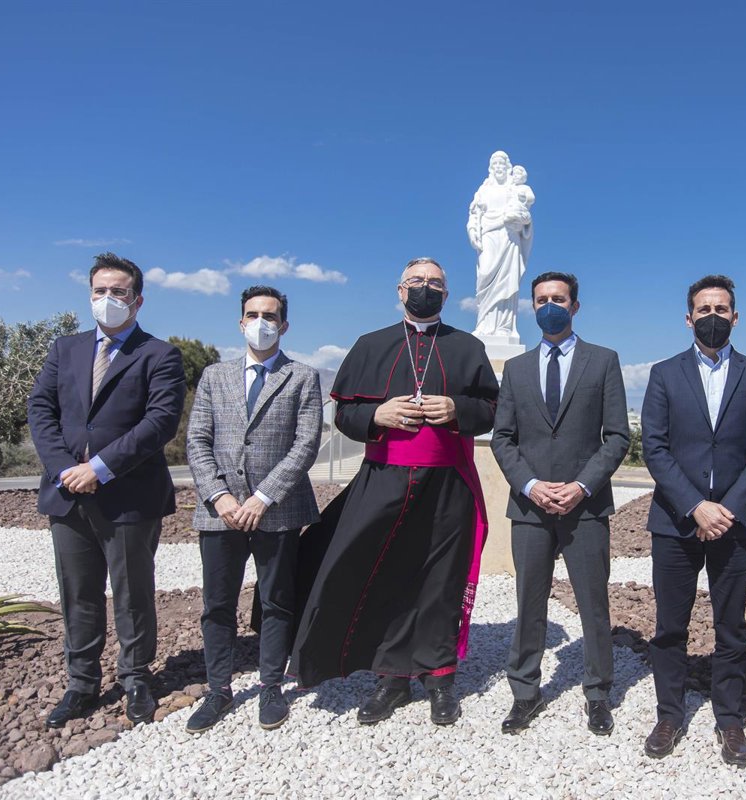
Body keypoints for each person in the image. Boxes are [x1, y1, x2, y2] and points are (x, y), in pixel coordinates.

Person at [289, 257, 499, 727]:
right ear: (400, 290)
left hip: (448, 484)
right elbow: (344, 414)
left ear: (447, 295)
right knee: (384, 574)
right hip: (384, 479)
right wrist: (376, 415)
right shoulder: (371, 344)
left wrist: (457, 408)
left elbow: (491, 408)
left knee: (441, 580)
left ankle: (440, 678)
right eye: (417, 281)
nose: (426, 288)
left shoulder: (468, 347)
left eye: (435, 283)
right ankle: (392, 680)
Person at [26, 252, 185, 729]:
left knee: (133, 593)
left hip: (130, 496)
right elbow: (41, 409)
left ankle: (136, 677)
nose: (108, 298)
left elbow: (159, 422)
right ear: (89, 295)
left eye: (118, 291)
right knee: (78, 594)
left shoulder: (159, 355)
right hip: (68, 495)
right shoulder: (65, 348)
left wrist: (99, 468)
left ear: (137, 300)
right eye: (100, 291)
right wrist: (65, 470)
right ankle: (81, 683)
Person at [640, 275, 746, 767]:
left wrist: (729, 508)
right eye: (704, 310)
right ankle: (669, 715)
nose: (713, 317)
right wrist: (695, 506)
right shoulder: (664, 374)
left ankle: (729, 719)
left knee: (731, 626)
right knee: (669, 626)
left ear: (735, 317)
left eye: (721, 310)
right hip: (676, 522)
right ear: (688, 318)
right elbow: (654, 447)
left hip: (735, 524)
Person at [491, 271, 629, 735]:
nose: (550, 305)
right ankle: (524, 692)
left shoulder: (603, 361)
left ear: (575, 306)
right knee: (529, 602)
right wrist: (530, 485)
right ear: (532, 306)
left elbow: (617, 436)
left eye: (559, 298)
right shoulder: (516, 369)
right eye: (541, 299)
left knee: (593, 603)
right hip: (530, 508)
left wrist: (581, 486)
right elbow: (503, 438)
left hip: (584, 507)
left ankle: (598, 693)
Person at [183, 285, 322, 733]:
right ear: (240, 322)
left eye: (270, 316)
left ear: (284, 325)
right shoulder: (214, 376)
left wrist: (262, 497)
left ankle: (270, 686)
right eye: (253, 315)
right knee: (217, 604)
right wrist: (219, 496)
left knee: (276, 600)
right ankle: (218, 689)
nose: (261, 323)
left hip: (277, 511)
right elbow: (197, 440)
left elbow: (305, 444)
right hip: (219, 512)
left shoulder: (302, 377)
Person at [468, 150, 531, 339]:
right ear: (490, 168)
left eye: (501, 164)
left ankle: (504, 327)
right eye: (495, 164)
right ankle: (484, 324)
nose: (498, 167)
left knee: (507, 280)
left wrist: (520, 221)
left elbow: (525, 213)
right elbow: (474, 215)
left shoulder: (514, 189)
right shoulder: (483, 190)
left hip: (509, 237)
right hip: (488, 235)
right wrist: (473, 231)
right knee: (485, 275)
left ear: (507, 167)